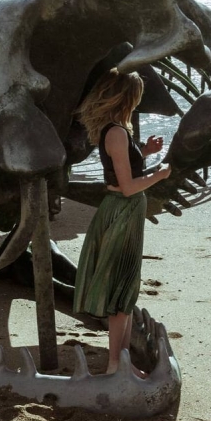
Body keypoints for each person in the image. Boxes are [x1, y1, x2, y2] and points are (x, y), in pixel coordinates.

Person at [74, 67, 171, 378]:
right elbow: (128, 186)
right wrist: (159, 174)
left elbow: (123, 169)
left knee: (126, 289)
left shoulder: (118, 131)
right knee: (121, 291)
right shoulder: (116, 133)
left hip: (126, 212)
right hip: (122, 212)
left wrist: (145, 152)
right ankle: (116, 364)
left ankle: (122, 361)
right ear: (128, 98)